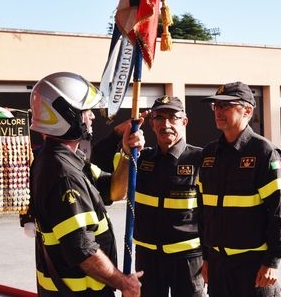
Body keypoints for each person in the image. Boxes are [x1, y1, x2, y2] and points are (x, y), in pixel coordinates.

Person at [27, 72, 143, 297]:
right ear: (67, 116)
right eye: (86, 111)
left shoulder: (67, 160)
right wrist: (124, 283)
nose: (91, 117)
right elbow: (82, 249)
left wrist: (127, 154)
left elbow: (113, 191)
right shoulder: (64, 174)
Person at [198, 82, 281, 297]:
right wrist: (206, 257)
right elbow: (203, 211)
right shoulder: (209, 153)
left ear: (247, 110)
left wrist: (272, 261)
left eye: (226, 105)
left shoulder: (264, 152)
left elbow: (280, 213)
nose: (218, 111)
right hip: (218, 266)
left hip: (254, 267)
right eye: (216, 106)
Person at [132, 95, 205, 297]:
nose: (166, 124)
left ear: (184, 121)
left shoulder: (200, 159)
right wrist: (125, 143)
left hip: (188, 260)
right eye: (159, 118)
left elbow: (213, 214)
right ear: (152, 123)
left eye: (173, 117)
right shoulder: (140, 158)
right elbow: (113, 184)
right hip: (148, 259)